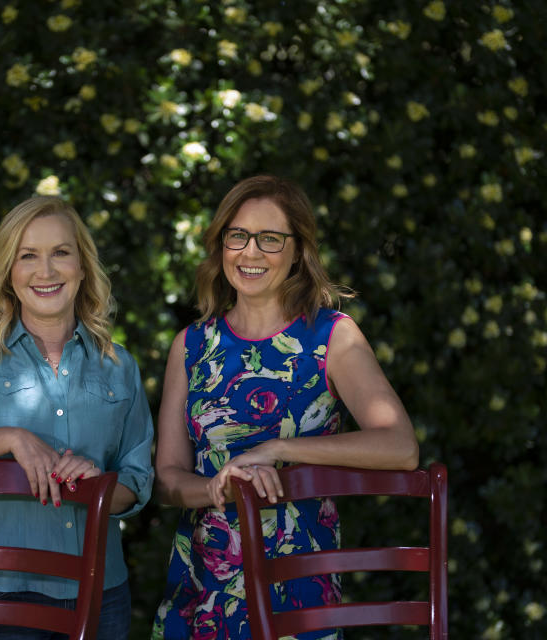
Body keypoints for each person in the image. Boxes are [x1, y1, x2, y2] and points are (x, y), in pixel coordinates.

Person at [151, 175, 419, 640]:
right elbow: (167, 480)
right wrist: (219, 488)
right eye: (238, 235)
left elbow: (400, 447)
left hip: (300, 592)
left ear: (298, 251)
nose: (250, 252)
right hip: (203, 589)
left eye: (270, 239)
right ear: (221, 245)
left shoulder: (331, 336)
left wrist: (275, 449)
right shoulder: (192, 347)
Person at [0, 196, 154, 640]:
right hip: (0, 593)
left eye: (61, 252)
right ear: (9, 270)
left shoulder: (120, 366)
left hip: (100, 593)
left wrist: (98, 482)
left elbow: (137, 483)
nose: (46, 271)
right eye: (28, 256)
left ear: (82, 265)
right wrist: (9, 438)